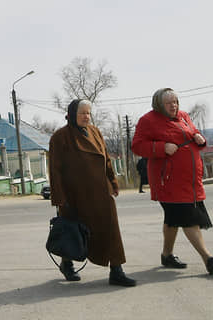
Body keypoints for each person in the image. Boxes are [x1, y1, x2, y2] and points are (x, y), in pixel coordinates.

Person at [132, 88, 213, 275]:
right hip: (167, 182)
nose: (173, 105)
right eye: (169, 103)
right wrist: (161, 147)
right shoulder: (148, 121)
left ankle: (167, 255)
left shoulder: (183, 116)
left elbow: (191, 132)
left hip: (190, 181)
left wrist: (199, 139)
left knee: (173, 220)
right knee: (188, 219)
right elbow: (137, 146)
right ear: (159, 104)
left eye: (175, 101)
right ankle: (208, 259)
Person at [48, 99, 137, 287]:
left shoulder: (96, 132)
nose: (86, 117)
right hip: (75, 196)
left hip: (101, 193)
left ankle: (117, 271)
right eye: (82, 113)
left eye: (88, 113)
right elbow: (54, 170)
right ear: (72, 114)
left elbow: (106, 160)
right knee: (72, 232)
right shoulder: (60, 137)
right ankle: (67, 264)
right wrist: (60, 198)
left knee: (111, 230)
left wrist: (112, 181)